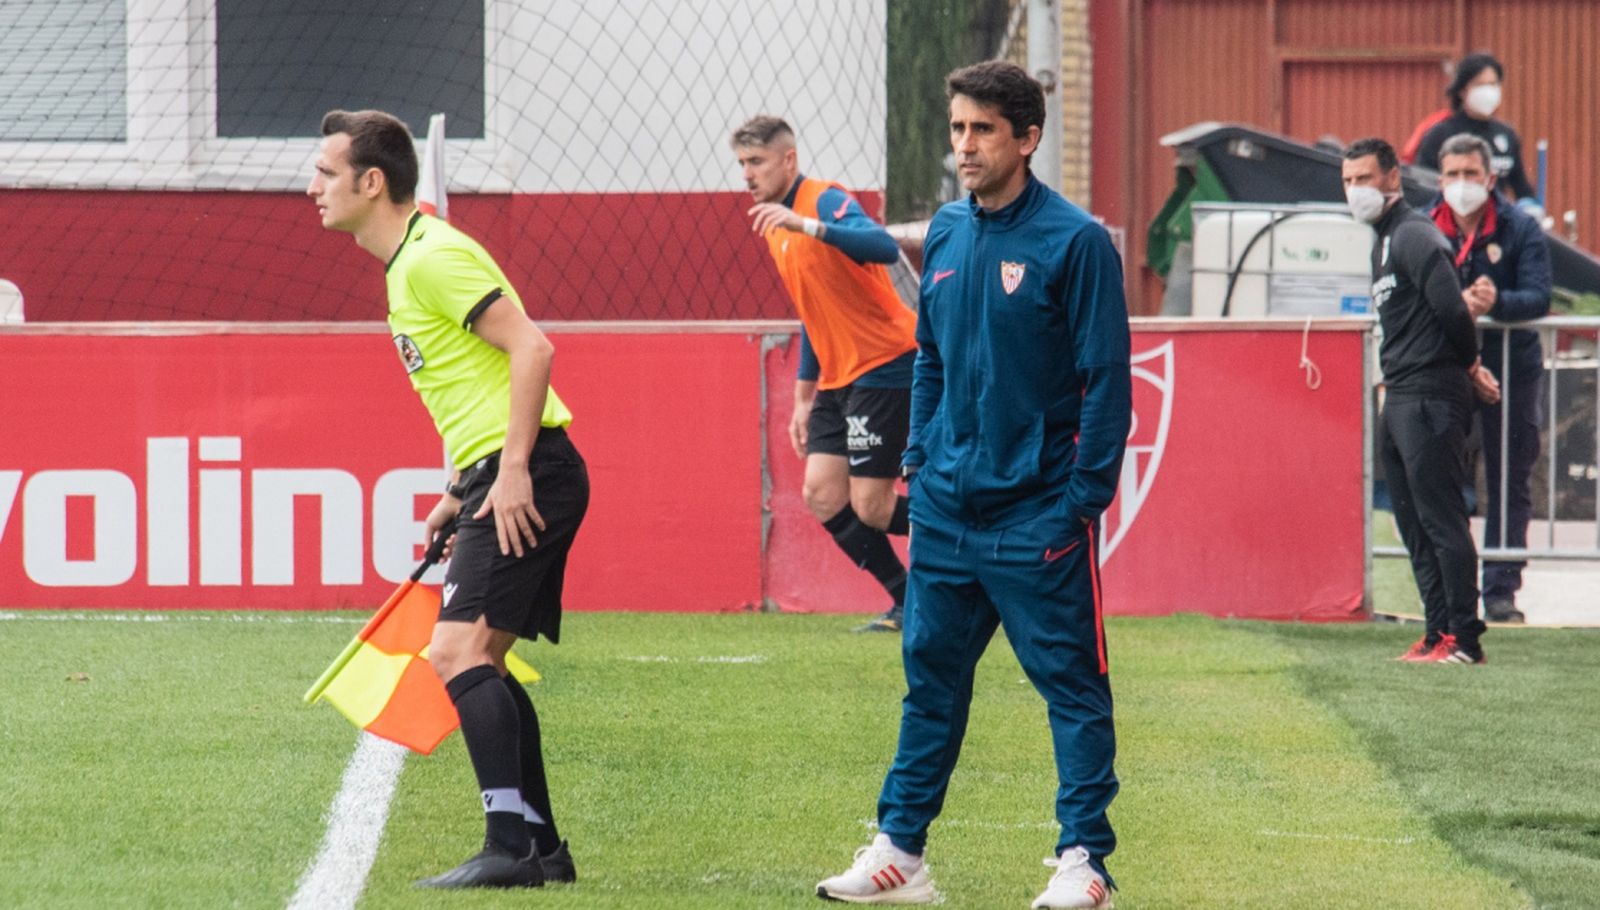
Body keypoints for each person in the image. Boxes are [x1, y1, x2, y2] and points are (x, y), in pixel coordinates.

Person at [816, 61, 1131, 909]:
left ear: (1027, 139)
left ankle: (1084, 863)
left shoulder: (1077, 243)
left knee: (1070, 687)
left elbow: (1108, 384)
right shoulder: (949, 233)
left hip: (1040, 516)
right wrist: (920, 458)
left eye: (983, 129)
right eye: (957, 128)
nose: (965, 145)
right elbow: (932, 358)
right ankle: (901, 855)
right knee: (931, 684)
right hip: (950, 512)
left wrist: (1080, 504)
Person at [309, 109, 587, 889]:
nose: (313, 188)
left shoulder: (431, 257)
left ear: (372, 183)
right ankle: (541, 848)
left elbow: (533, 346)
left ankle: (507, 849)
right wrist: (463, 486)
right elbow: (482, 385)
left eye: (326, 173)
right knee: (485, 657)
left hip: (532, 470)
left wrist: (513, 470)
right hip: (500, 472)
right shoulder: (407, 264)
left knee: (457, 653)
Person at [731, 116, 918, 632]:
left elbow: (883, 246)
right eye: (742, 164)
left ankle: (964, 532)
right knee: (822, 492)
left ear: (788, 160)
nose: (747, 174)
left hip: (885, 362)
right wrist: (803, 397)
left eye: (757, 162)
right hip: (840, 377)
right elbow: (815, 311)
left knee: (873, 505)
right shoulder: (775, 224)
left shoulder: (823, 201)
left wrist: (808, 225)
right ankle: (908, 600)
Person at [1342, 137, 1500, 665]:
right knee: (1410, 521)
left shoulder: (1414, 235)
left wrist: (1470, 365)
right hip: (1401, 392)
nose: (1354, 191)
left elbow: (1453, 313)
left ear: (1392, 179)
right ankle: (1436, 632)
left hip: (1432, 394)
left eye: (1363, 179)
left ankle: (1465, 638)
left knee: (1441, 519)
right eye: (1347, 182)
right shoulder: (1381, 240)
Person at [1429, 133, 1552, 623]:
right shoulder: (1424, 226)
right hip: (1446, 367)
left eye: (1471, 175)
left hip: (1512, 368)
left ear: (1490, 178)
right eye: (1453, 176)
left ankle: (1500, 590)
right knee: (1438, 478)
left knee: (1508, 478)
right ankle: (1447, 589)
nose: (1462, 185)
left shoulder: (1521, 228)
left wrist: (1495, 302)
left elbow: (1541, 297)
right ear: (1439, 180)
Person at [1413, 53, 1538, 205]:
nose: (1488, 92)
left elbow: (1520, 185)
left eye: (1493, 84)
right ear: (1462, 90)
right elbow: (1421, 184)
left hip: (1496, 221)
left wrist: (1529, 205)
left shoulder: (1506, 135)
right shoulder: (1440, 134)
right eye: (1480, 85)